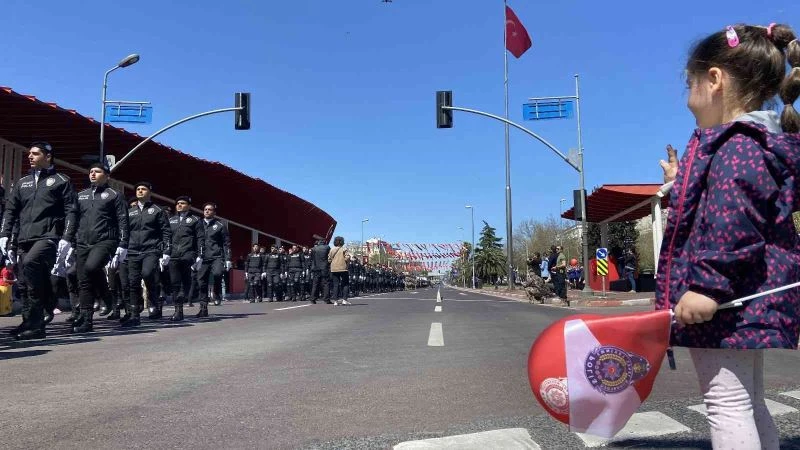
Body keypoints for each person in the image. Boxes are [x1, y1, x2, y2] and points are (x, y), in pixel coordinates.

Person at [655, 23, 800, 450]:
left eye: (690, 83)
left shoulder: (736, 147)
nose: (687, 96)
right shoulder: (756, 143)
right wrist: (680, 181)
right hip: (743, 297)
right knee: (748, 402)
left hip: (725, 302)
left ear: (714, 80)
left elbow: (732, 222)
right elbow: (728, 209)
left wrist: (705, 287)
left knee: (726, 404)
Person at [0, 142, 77, 340]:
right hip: (24, 237)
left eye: (35, 153)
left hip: (49, 236)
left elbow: (71, 211)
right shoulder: (22, 183)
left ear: (48, 156)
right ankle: (30, 321)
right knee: (24, 281)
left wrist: (67, 238)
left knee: (31, 263)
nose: (30, 156)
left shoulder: (61, 181)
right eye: (29, 154)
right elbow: (11, 211)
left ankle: (37, 322)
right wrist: (5, 234)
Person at [71, 162, 129, 333]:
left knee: (91, 268)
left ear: (107, 175)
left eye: (97, 171)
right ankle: (86, 319)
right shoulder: (81, 195)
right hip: (83, 242)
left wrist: (123, 244)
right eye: (90, 171)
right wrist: (70, 240)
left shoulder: (114, 195)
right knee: (83, 281)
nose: (93, 174)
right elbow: (74, 219)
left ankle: (107, 297)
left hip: (105, 241)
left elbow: (123, 220)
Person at [125, 182, 171, 326]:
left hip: (151, 250)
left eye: (143, 189)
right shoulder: (130, 211)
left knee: (147, 274)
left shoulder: (157, 210)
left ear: (149, 192)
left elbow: (166, 231)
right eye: (137, 189)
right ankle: (134, 314)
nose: (139, 191)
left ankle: (153, 301)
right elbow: (125, 231)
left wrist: (166, 251)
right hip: (132, 251)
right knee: (132, 282)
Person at [167, 195, 204, 321]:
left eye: (182, 203)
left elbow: (200, 239)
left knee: (186, 280)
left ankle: (187, 294)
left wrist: (200, 256)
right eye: (177, 203)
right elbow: (167, 237)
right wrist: (165, 253)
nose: (179, 205)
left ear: (189, 206)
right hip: (173, 255)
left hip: (188, 254)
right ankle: (178, 311)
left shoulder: (195, 220)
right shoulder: (171, 220)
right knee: (175, 283)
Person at [196, 202, 231, 316]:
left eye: (210, 209)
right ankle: (203, 308)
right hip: (202, 257)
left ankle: (217, 292)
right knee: (201, 282)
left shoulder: (220, 225)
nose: (207, 211)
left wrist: (228, 259)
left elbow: (226, 243)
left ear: (214, 213)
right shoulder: (198, 224)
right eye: (205, 209)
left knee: (217, 274)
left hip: (216, 256)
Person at [328, 236, 350, 305]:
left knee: (335, 285)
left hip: (334, 269)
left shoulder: (332, 249)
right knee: (345, 284)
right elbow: (347, 258)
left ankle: (335, 301)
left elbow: (329, 259)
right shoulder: (344, 249)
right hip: (343, 268)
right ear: (342, 242)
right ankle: (344, 300)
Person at [310, 239, 331, 304]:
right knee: (326, 283)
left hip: (316, 268)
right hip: (324, 268)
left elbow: (312, 258)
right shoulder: (327, 247)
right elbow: (329, 257)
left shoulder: (314, 249)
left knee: (315, 284)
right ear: (324, 242)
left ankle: (313, 298)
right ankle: (326, 299)